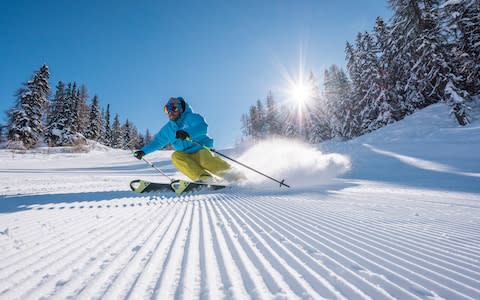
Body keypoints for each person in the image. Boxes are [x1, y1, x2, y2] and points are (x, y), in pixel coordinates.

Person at [133, 97, 240, 184]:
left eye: (173, 108)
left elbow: (203, 127)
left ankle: (233, 175)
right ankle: (204, 178)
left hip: (201, 148)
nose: (170, 112)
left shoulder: (192, 117)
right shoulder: (168, 129)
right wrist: (143, 151)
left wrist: (188, 133)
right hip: (186, 154)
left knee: (205, 160)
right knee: (176, 157)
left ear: (180, 109)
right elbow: (157, 142)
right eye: (167, 109)